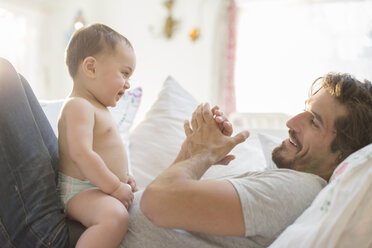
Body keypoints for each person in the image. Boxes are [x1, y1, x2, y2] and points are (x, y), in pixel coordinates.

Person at [0, 56, 371, 247]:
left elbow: (157, 203)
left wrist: (202, 156)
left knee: (5, 80)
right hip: (77, 221)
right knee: (11, 80)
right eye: (304, 108)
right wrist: (192, 153)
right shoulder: (291, 187)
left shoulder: (298, 190)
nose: (293, 120)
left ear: (343, 157)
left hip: (63, 238)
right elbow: (164, 208)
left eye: (315, 122)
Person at [56, 23, 139, 248]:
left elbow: (106, 151)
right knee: (115, 217)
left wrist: (124, 177)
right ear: (91, 68)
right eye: (124, 73)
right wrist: (114, 186)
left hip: (96, 187)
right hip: (80, 190)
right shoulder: (78, 106)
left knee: (117, 213)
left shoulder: (98, 107)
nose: (128, 83)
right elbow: (81, 153)